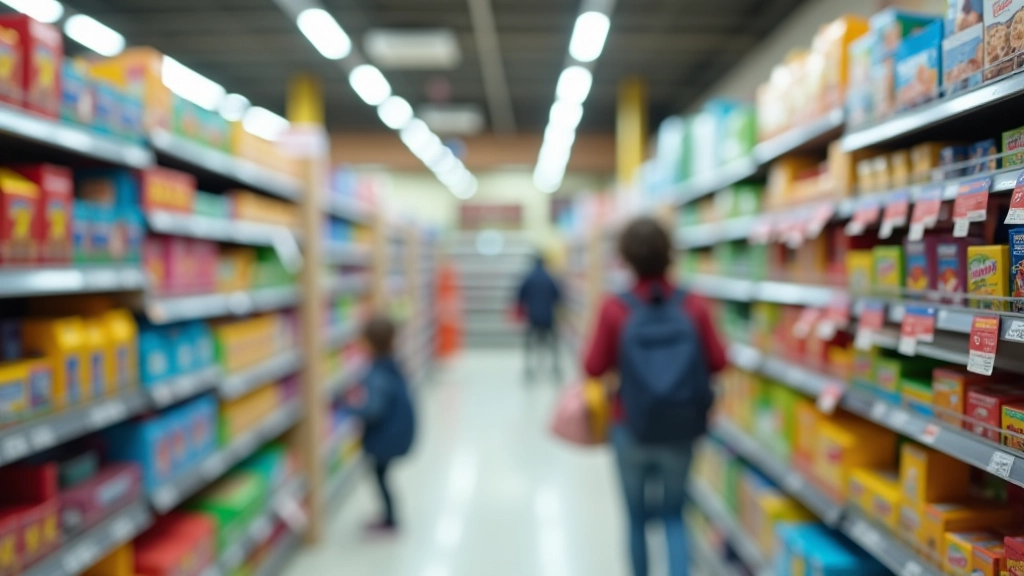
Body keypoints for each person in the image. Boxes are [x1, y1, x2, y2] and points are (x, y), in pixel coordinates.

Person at [583, 217, 726, 576]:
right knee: (675, 516)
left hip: (629, 424)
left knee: (635, 520)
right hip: (682, 427)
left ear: (625, 259)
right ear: (671, 255)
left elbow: (592, 366)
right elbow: (719, 362)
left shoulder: (615, 308)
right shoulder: (693, 305)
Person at [343, 315, 416, 532]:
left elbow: (373, 409)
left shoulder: (376, 373)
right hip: (395, 434)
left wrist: (349, 407)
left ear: (369, 343)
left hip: (385, 438)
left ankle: (390, 519)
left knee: (379, 476)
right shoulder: (393, 364)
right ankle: (389, 515)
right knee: (381, 475)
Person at [516, 253, 563, 380]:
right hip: (548, 316)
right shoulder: (549, 277)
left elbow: (520, 295)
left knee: (529, 342)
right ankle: (555, 367)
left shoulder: (529, 277)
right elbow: (558, 295)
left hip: (533, 316)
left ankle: (528, 368)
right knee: (553, 341)